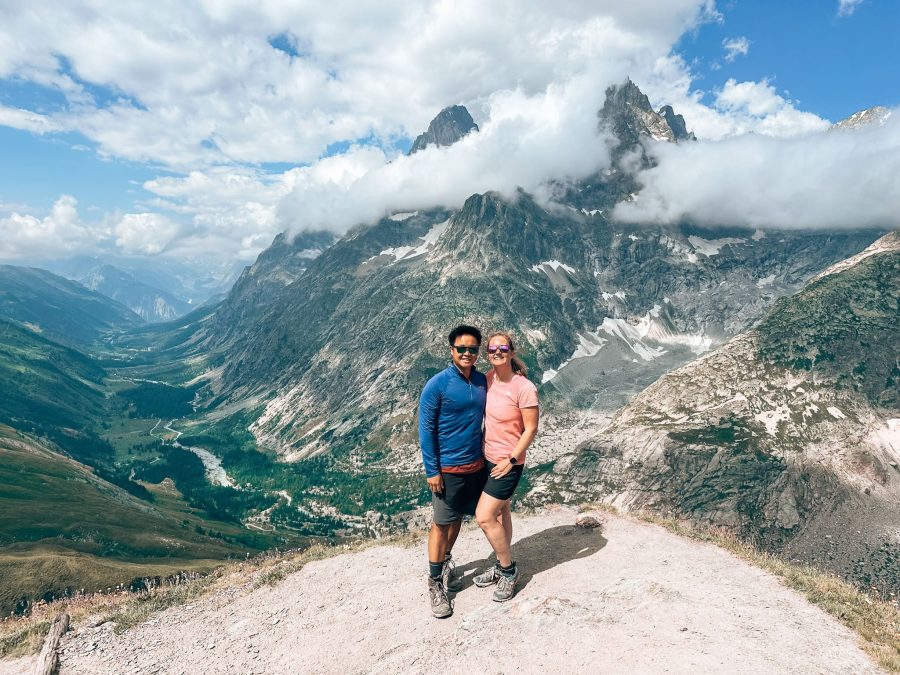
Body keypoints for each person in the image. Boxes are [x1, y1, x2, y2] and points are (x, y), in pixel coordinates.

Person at [418, 324, 488, 618]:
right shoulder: (438, 385)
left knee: (458, 518)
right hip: (447, 469)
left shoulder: (483, 380)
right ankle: (434, 583)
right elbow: (425, 428)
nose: (468, 353)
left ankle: (444, 564)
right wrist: (432, 470)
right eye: (462, 349)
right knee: (440, 524)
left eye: (473, 349)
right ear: (451, 350)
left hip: (476, 466)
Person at [473, 331, 539, 602]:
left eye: (502, 348)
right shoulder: (489, 380)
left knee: (484, 516)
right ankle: (502, 566)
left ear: (512, 352)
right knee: (501, 512)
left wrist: (511, 460)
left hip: (508, 462)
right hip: (488, 457)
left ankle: (509, 571)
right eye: (491, 349)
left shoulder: (524, 387)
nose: (497, 352)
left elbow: (531, 429)